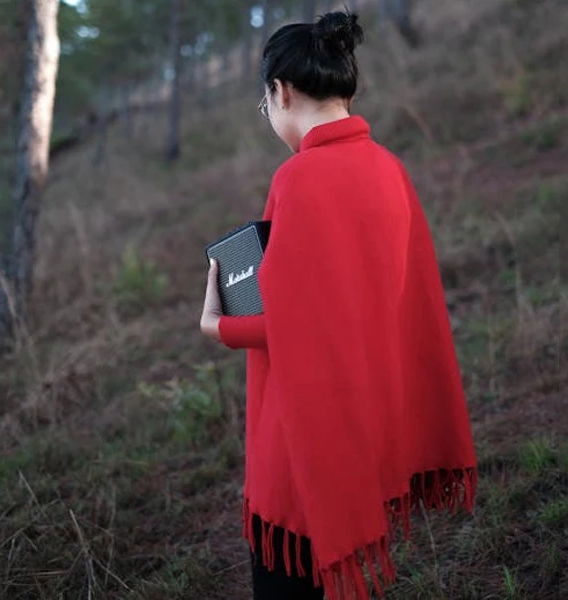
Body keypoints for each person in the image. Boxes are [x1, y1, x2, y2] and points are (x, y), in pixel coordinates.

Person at [199, 10, 477, 600]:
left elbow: (293, 326)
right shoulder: (390, 170)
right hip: (368, 425)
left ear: (282, 91)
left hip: (308, 441)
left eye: (264, 103)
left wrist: (220, 326)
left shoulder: (298, 180)